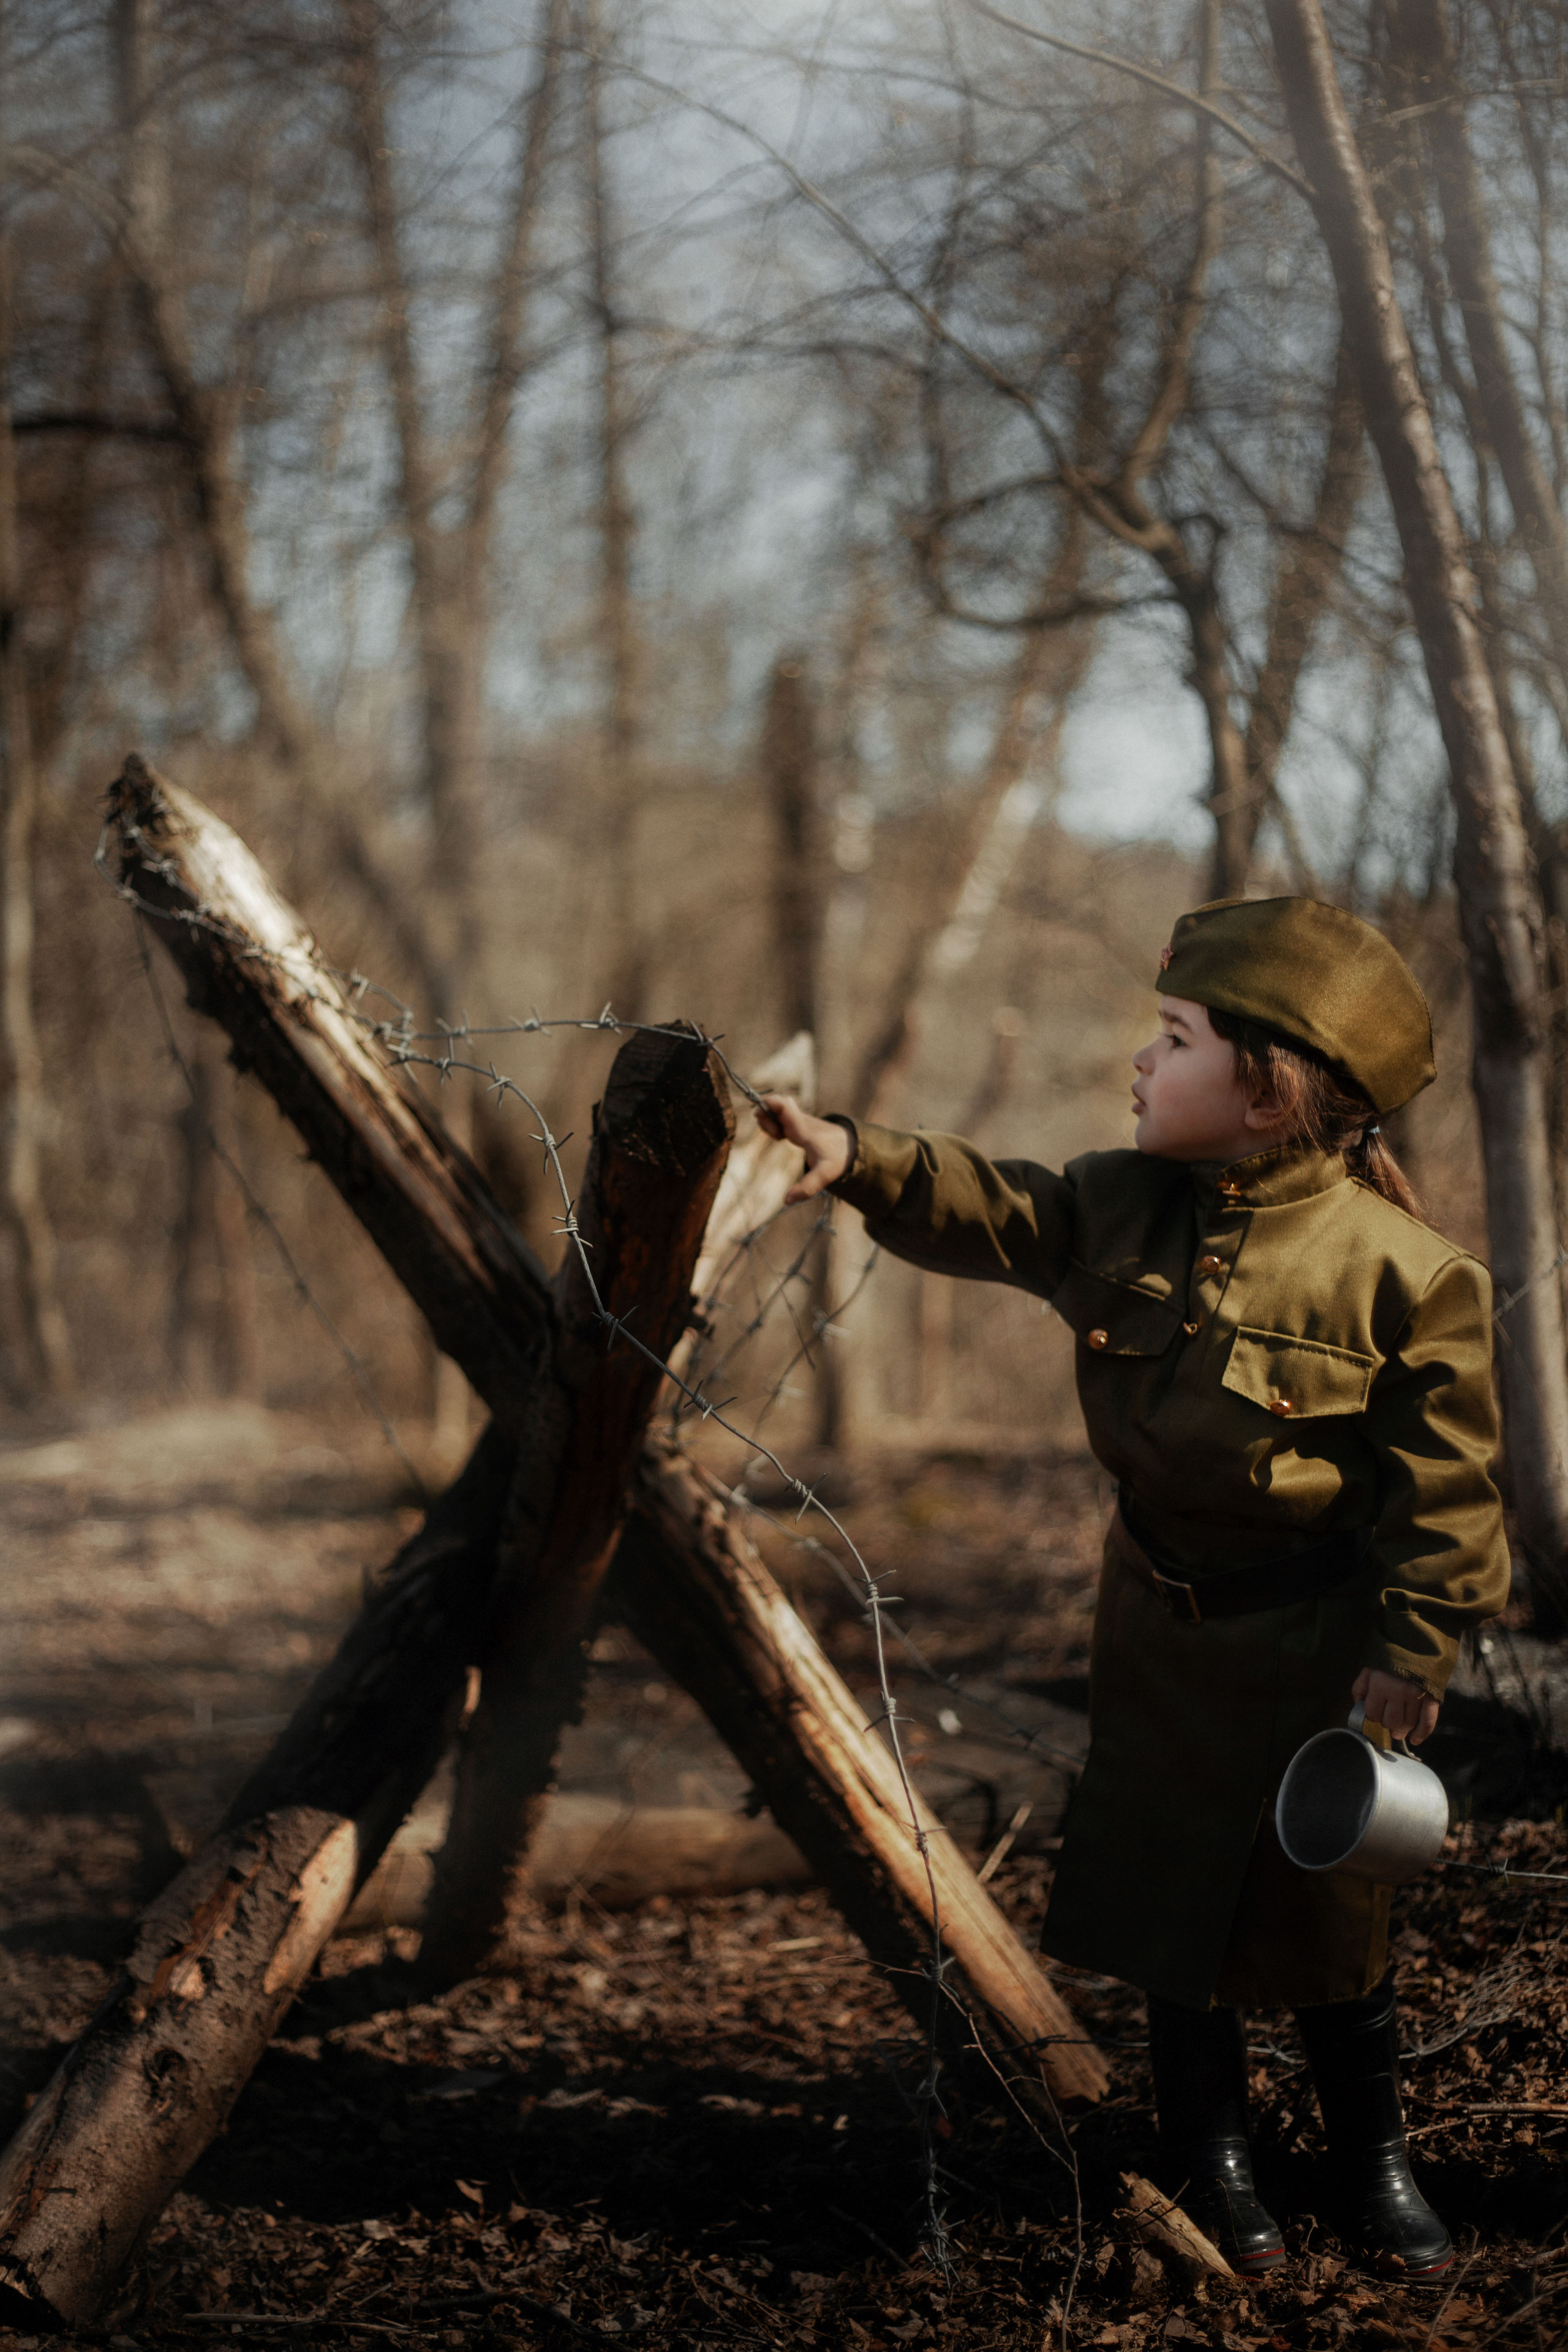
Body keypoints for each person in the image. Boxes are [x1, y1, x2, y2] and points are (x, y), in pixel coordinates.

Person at [756, 896, 1509, 2282]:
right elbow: (986, 1203)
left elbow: (1446, 1492)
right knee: (1175, 1904)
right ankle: (1209, 2161)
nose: (1139, 1065)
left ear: (1269, 1091)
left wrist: (1411, 1646)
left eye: (1172, 1041)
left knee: (1331, 1916)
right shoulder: (1115, 1202)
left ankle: (1371, 2158)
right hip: (1157, 1629)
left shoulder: (1408, 1276)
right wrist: (850, 1155)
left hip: (1315, 1645)